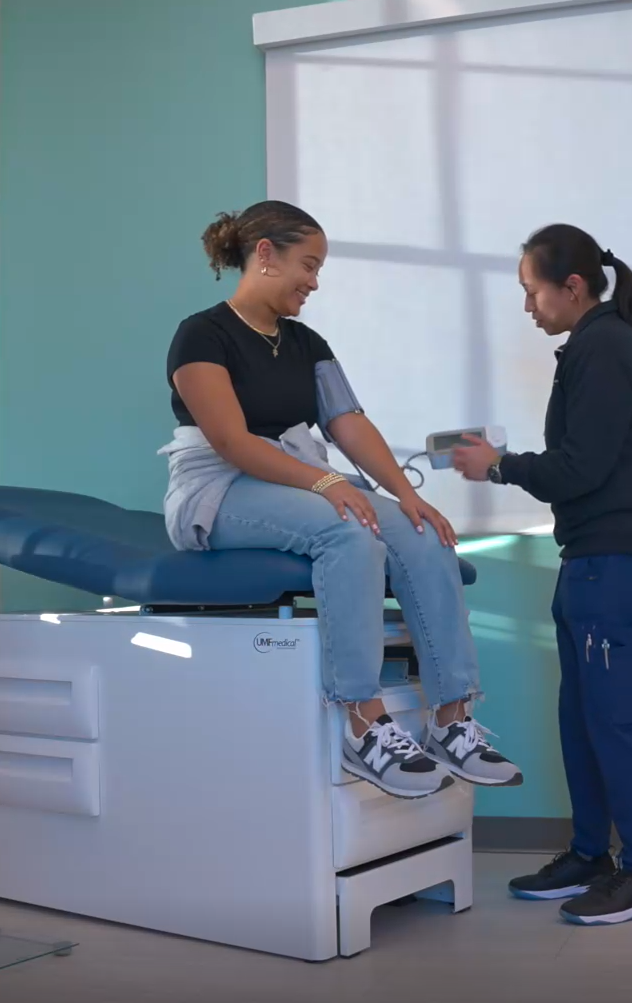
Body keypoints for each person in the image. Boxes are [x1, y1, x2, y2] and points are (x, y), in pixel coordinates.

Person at [162, 199, 522, 800]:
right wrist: (328, 483)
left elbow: (348, 423)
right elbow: (230, 440)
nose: (314, 281)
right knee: (348, 533)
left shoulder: (307, 343)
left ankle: (452, 721)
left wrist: (408, 497)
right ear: (266, 255)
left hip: (299, 479)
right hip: (218, 488)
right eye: (309, 264)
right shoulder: (202, 335)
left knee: (420, 532)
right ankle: (362, 723)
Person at [452, 224, 632, 925]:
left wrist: (498, 465)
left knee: (620, 720)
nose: (527, 306)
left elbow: (580, 467)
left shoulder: (606, 347)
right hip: (590, 558)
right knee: (582, 717)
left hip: (618, 558)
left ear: (571, 285)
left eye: (531, 290)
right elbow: (584, 460)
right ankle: (591, 854)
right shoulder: (590, 346)